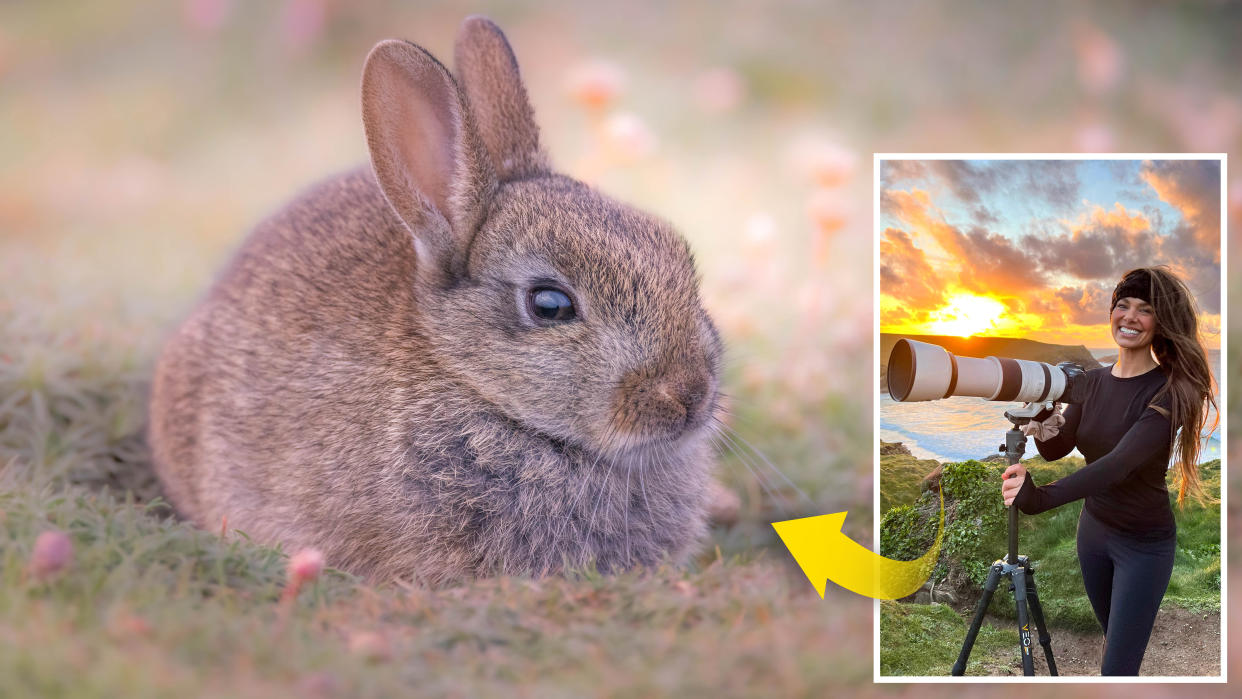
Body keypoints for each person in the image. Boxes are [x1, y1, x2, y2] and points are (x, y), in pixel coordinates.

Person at [999, 266, 1217, 676]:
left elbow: (1118, 464)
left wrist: (1040, 497)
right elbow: (1057, 448)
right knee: (1113, 646)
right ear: (1112, 312)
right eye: (1123, 305)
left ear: (1161, 322)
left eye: (1145, 309)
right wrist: (1044, 417)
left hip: (1144, 546)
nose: (1130, 316)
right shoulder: (1090, 381)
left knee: (1116, 671)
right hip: (1094, 533)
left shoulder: (1172, 392)